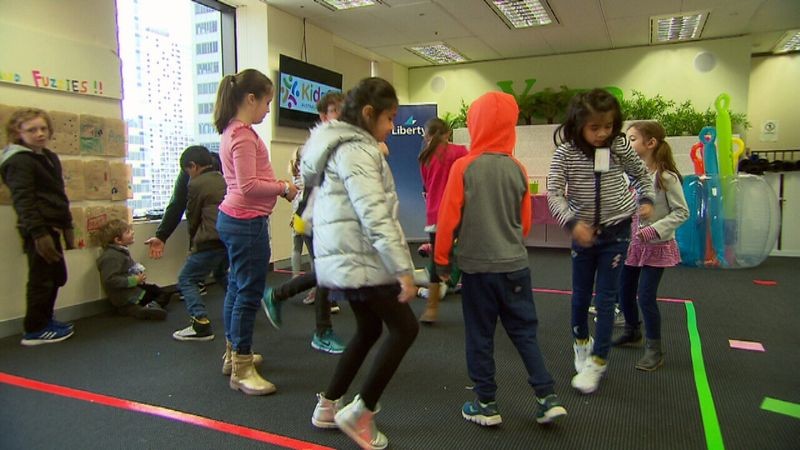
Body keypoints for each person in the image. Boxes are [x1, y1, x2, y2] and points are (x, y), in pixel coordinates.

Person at [434, 92, 567, 427]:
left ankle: (486, 403)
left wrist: (442, 260)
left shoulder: (464, 166)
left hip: (478, 269)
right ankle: (546, 396)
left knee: (480, 336)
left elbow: (448, 219)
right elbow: (524, 225)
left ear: (475, 124)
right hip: (515, 267)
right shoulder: (517, 168)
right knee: (524, 333)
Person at [306, 77, 417, 450]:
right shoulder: (357, 151)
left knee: (369, 329)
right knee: (405, 329)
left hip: (347, 259)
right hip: (361, 258)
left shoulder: (341, 146)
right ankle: (361, 413)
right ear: (368, 114)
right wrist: (403, 268)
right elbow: (374, 214)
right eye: (388, 118)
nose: (391, 127)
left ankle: (327, 405)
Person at [547, 89, 655, 395]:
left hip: (617, 231)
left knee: (606, 299)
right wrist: (571, 222)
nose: (602, 133)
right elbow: (554, 191)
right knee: (580, 296)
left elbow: (641, 176)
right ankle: (581, 342)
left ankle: (598, 360)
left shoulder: (619, 146)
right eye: (595, 127)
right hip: (583, 233)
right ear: (578, 124)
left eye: (608, 126)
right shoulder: (566, 152)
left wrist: (646, 199)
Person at [214, 68, 297, 396]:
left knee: (237, 287)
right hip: (245, 223)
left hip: (236, 220)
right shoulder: (244, 136)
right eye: (266, 103)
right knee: (248, 293)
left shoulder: (232, 132)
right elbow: (248, 186)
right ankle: (242, 368)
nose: (267, 110)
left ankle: (234, 354)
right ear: (250, 99)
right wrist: (284, 187)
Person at [261, 92, 345, 355]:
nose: (342, 116)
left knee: (326, 272)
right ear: (323, 116)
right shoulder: (319, 144)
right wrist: (301, 219)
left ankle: (281, 298)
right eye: (336, 111)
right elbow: (311, 184)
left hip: (328, 216)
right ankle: (320, 330)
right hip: (314, 216)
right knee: (326, 272)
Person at [614, 121, 688, 371]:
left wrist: (655, 229)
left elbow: (681, 212)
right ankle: (632, 329)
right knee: (623, 292)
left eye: (632, 139)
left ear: (651, 143)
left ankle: (654, 349)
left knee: (645, 296)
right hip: (632, 246)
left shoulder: (666, 178)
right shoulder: (630, 175)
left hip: (656, 247)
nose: (628, 143)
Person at [1, 108, 76, 345]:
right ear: (17, 132)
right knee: (41, 279)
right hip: (39, 229)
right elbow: (24, 200)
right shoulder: (19, 161)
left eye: (43, 128)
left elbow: (57, 195)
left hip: (53, 225)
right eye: (32, 130)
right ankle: (34, 329)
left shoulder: (48, 157)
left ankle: (46, 319)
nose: (40, 133)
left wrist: (67, 226)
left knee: (55, 277)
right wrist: (38, 233)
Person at [172, 146, 229, 341]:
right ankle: (242, 307)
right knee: (221, 273)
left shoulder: (196, 184)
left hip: (209, 240)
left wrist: (193, 245)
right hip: (227, 238)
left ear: (193, 166)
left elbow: (193, 216)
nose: (188, 176)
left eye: (187, 171)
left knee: (186, 279)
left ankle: (200, 323)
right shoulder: (223, 178)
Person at [417, 117, 467, 324]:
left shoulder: (425, 157)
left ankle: (431, 310)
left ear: (427, 136)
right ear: (448, 134)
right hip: (459, 212)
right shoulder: (461, 152)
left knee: (436, 262)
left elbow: (427, 188)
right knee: (469, 257)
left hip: (435, 216)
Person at [96, 219, 171, 320]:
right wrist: (134, 280)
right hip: (126, 295)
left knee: (159, 291)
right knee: (162, 295)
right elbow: (110, 280)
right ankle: (136, 309)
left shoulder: (120, 252)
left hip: (133, 289)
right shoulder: (112, 256)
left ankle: (143, 307)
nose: (132, 232)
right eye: (128, 232)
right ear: (118, 240)